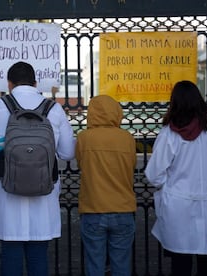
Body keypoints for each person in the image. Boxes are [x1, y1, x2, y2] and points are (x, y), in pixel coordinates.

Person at [0, 61, 75, 276]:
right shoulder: (53, 109)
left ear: (9, 84)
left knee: (10, 253)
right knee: (38, 255)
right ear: (36, 83)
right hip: (44, 195)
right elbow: (67, 153)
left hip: (8, 194)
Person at [144, 80, 207, 276]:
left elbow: (154, 175)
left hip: (178, 207)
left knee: (180, 265)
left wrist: (171, 184)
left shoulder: (170, 134)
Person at [75, 95, 137, 276]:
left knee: (95, 264)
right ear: (117, 112)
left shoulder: (84, 138)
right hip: (123, 208)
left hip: (93, 208)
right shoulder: (127, 138)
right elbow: (132, 165)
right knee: (122, 264)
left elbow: (81, 164)